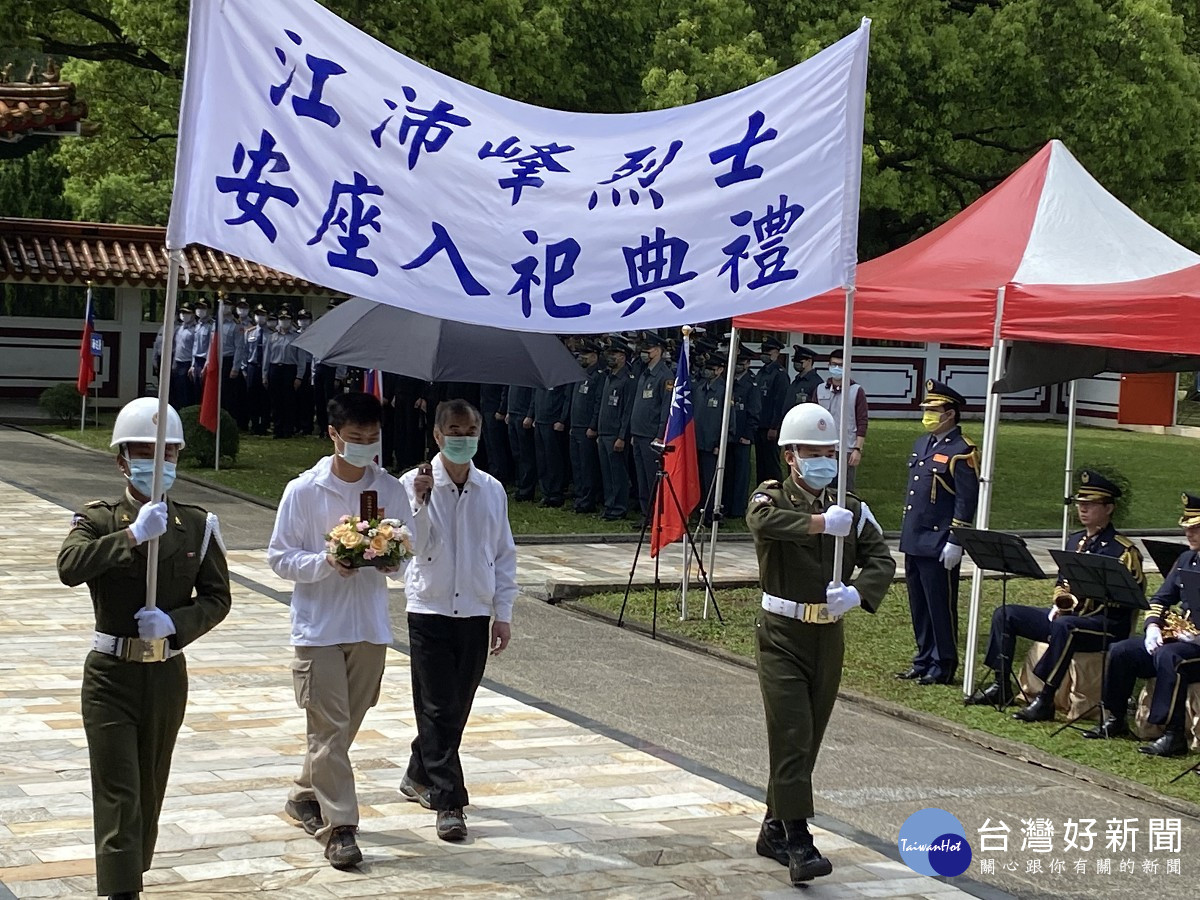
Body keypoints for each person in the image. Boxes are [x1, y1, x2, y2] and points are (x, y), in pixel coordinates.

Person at [57, 398, 231, 900]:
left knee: (150, 788)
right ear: (121, 460)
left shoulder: (197, 525)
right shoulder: (100, 519)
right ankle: (121, 891)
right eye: (144, 453)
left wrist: (175, 625)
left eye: (169, 455)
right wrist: (132, 536)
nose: (159, 465)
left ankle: (130, 872)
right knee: (119, 792)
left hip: (166, 676)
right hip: (111, 675)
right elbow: (69, 567)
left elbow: (218, 598)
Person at [267, 392, 432, 869]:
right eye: (355, 439)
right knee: (329, 725)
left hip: (368, 625)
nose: (365, 447)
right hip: (317, 626)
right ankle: (341, 826)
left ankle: (304, 793)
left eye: (373, 439)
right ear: (334, 435)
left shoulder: (389, 489)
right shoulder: (304, 490)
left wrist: (388, 557)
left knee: (342, 727)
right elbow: (279, 557)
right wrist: (327, 561)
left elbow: (408, 556)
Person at [746, 403, 895, 886]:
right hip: (781, 634)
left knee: (807, 739)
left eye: (829, 453)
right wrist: (818, 525)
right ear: (790, 456)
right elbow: (763, 523)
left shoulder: (851, 507)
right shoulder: (772, 498)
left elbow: (881, 560)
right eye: (813, 453)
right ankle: (799, 839)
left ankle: (773, 827)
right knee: (791, 733)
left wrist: (857, 593)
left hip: (828, 635)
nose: (823, 461)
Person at [397, 399, 517, 842]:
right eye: (453, 429)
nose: (461, 437)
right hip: (428, 609)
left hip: (474, 612)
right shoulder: (412, 483)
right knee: (437, 706)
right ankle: (449, 802)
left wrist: (502, 613)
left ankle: (417, 771)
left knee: (455, 709)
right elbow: (413, 545)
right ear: (437, 434)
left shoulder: (492, 489)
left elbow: (503, 554)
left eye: (469, 429)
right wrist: (421, 501)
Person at [966, 470, 1146, 719]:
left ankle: (1045, 700)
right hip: (1070, 617)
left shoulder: (1124, 551)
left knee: (1065, 627)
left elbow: (1130, 598)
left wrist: (1093, 592)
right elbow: (1062, 581)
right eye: (1080, 504)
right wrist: (1060, 599)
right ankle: (1001, 684)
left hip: (1105, 624)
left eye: (1090, 505)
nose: (1083, 509)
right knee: (1006, 614)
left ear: (1109, 508)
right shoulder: (1075, 541)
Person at [1082, 492, 1200, 756]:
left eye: (1195, 529)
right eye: (1187, 528)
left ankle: (1172, 733)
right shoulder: (1186, 560)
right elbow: (1161, 598)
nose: (1188, 534)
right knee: (1123, 651)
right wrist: (1153, 627)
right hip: (1182, 640)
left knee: (1171, 657)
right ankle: (1115, 718)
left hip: (1195, 647)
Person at [896, 380, 979, 685]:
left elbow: (966, 499)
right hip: (915, 536)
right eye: (927, 410)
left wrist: (956, 540)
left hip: (939, 539)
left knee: (940, 605)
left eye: (934, 410)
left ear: (951, 414)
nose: (928, 415)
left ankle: (943, 662)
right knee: (919, 603)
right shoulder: (923, 443)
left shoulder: (962, 450)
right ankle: (923, 657)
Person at [629, 332, 673, 527]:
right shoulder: (645, 372)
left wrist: (660, 435)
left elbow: (665, 408)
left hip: (651, 435)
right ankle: (646, 513)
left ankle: (656, 514)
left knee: (651, 476)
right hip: (638, 433)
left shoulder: (664, 376)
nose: (645, 353)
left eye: (649, 350)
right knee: (641, 477)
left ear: (658, 351)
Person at [810, 349, 867, 490]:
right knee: (822, 486)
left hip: (846, 447)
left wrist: (857, 449)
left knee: (845, 489)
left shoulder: (856, 391)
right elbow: (813, 417)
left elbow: (862, 422)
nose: (836, 368)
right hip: (823, 445)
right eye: (833, 364)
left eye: (841, 365)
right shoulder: (820, 389)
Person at [593, 337, 636, 521]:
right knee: (607, 473)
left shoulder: (627, 379)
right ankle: (609, 506)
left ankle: (619, 507)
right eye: (609, 353)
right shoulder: (608, 377)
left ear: (623, 356)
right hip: (604, 432)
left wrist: (622, 436)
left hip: (615, 434)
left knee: (617, 473)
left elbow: (627, 411)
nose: (610, 357)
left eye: (614, 354)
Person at [723, 345, 761, 519]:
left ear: (747, 364)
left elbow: (754, 412)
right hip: (729, 435)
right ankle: (726, 505)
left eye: (740, 362)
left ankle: (738, 509)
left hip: (742, 435)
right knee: (728, 472)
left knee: (740, 474)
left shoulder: (751, 384)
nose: (737, 365)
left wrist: (748, 435)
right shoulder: (728, 379)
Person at [570, 340, 605, 514]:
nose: (581, 358)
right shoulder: (581, 373)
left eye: (585, 354)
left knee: (587, 466)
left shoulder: (598, 376)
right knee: (577, 465)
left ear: (594, 356)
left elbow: (598, 403)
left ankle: (588, 500)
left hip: (586, 428)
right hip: (576, 426)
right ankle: (579, 496)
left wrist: (593, 426)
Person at [694, 350, 728, 525]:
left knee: (711, 481)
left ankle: (712, 514)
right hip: (699, 442)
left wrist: (721, 443)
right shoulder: (700, 389)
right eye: (706, 368)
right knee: (700, 480)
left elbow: (728, 420)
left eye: (712, 368)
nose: (707, 371)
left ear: (720, 370)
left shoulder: (723, 391)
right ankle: (701, 511)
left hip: (713, 444)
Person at [532, 368, 571, 508]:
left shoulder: (561, 377)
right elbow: (534, 396)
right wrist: (533, 415)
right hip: (540, 420)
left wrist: (562, 419)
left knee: (553, 460)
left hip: (552, 422)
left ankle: (555, 494)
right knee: (542, 460)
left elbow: (567, 399)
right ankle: (546, 492)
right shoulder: (541, 375)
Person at [753, 337, 790, 484]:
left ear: (776, 353)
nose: (764, 354)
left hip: (770, 426)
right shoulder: (761, 372)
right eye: (763, 351)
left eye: (768, 351)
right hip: (760, 424)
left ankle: (776, 492)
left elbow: (780, 402)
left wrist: (774, 426)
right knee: (761, 463)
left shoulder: (780, 374)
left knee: (771, 464)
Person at [265, 307, 300, 439]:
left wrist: (299, 376)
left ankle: (288, 429)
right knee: (276, 400)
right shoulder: (272, 336)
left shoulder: (296, 337)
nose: (284, 322)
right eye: (282, 319)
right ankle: (277, 429)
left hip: (289, 369)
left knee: (289, 400)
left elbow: (301, 358)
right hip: (275, 369)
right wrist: (265, 374)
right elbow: (267, 357)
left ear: (291, 321)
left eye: (287, 319)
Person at [505, 382, 537, 502]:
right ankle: (519, 485)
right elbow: (510, 392)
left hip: (523, 415)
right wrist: (508, 410)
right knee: (516, 454)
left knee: (526, 455)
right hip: (513, 414)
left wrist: (530, 414)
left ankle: (527, 490)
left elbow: (533, 395)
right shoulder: (515, 373)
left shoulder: (529, 375)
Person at [242, 305, 270, 435]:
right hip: (252, 367)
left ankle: (263, 425)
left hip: (266, 368)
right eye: (258, 314)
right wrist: (244, 368)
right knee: (251, 397)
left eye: (262, 315)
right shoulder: (249, 332)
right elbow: (245, 351)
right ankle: (253, 424)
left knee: (265, 398)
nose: (260, 317)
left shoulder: (272, 333)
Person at [786, 345, 822, 410]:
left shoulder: (816, 382)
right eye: (795, 361)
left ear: (809, 361)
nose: (797, 364)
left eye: (800, 362)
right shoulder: (796, 381)